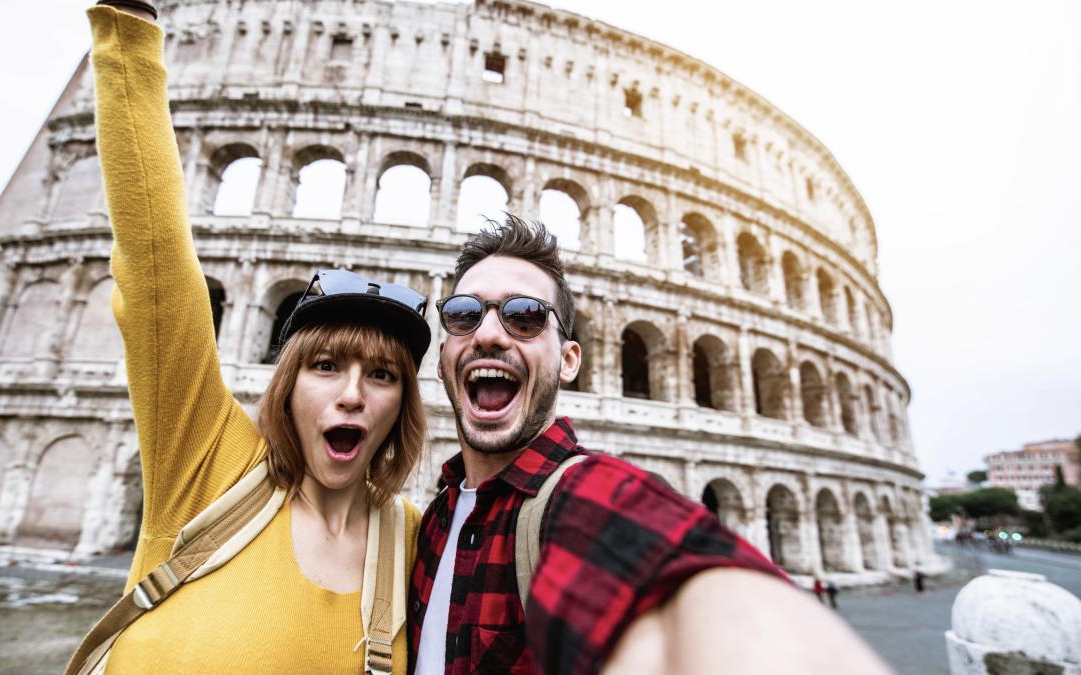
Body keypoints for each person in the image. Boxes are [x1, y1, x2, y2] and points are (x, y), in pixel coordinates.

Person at [76, 2, 427, 671]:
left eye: (382, 375)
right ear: (288, 380)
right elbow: (156, 266)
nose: (353, 393)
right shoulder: (206, 463)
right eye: (326, 364)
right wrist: (128, 32)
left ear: (402, 405)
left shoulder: (408, 538)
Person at [409, 215, 892, 674]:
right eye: (465, 314)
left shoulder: (588, 499)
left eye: (526, 316)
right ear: (444, 350)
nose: (489, 333)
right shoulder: (433, 521)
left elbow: (716, 603)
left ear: (570, 360)